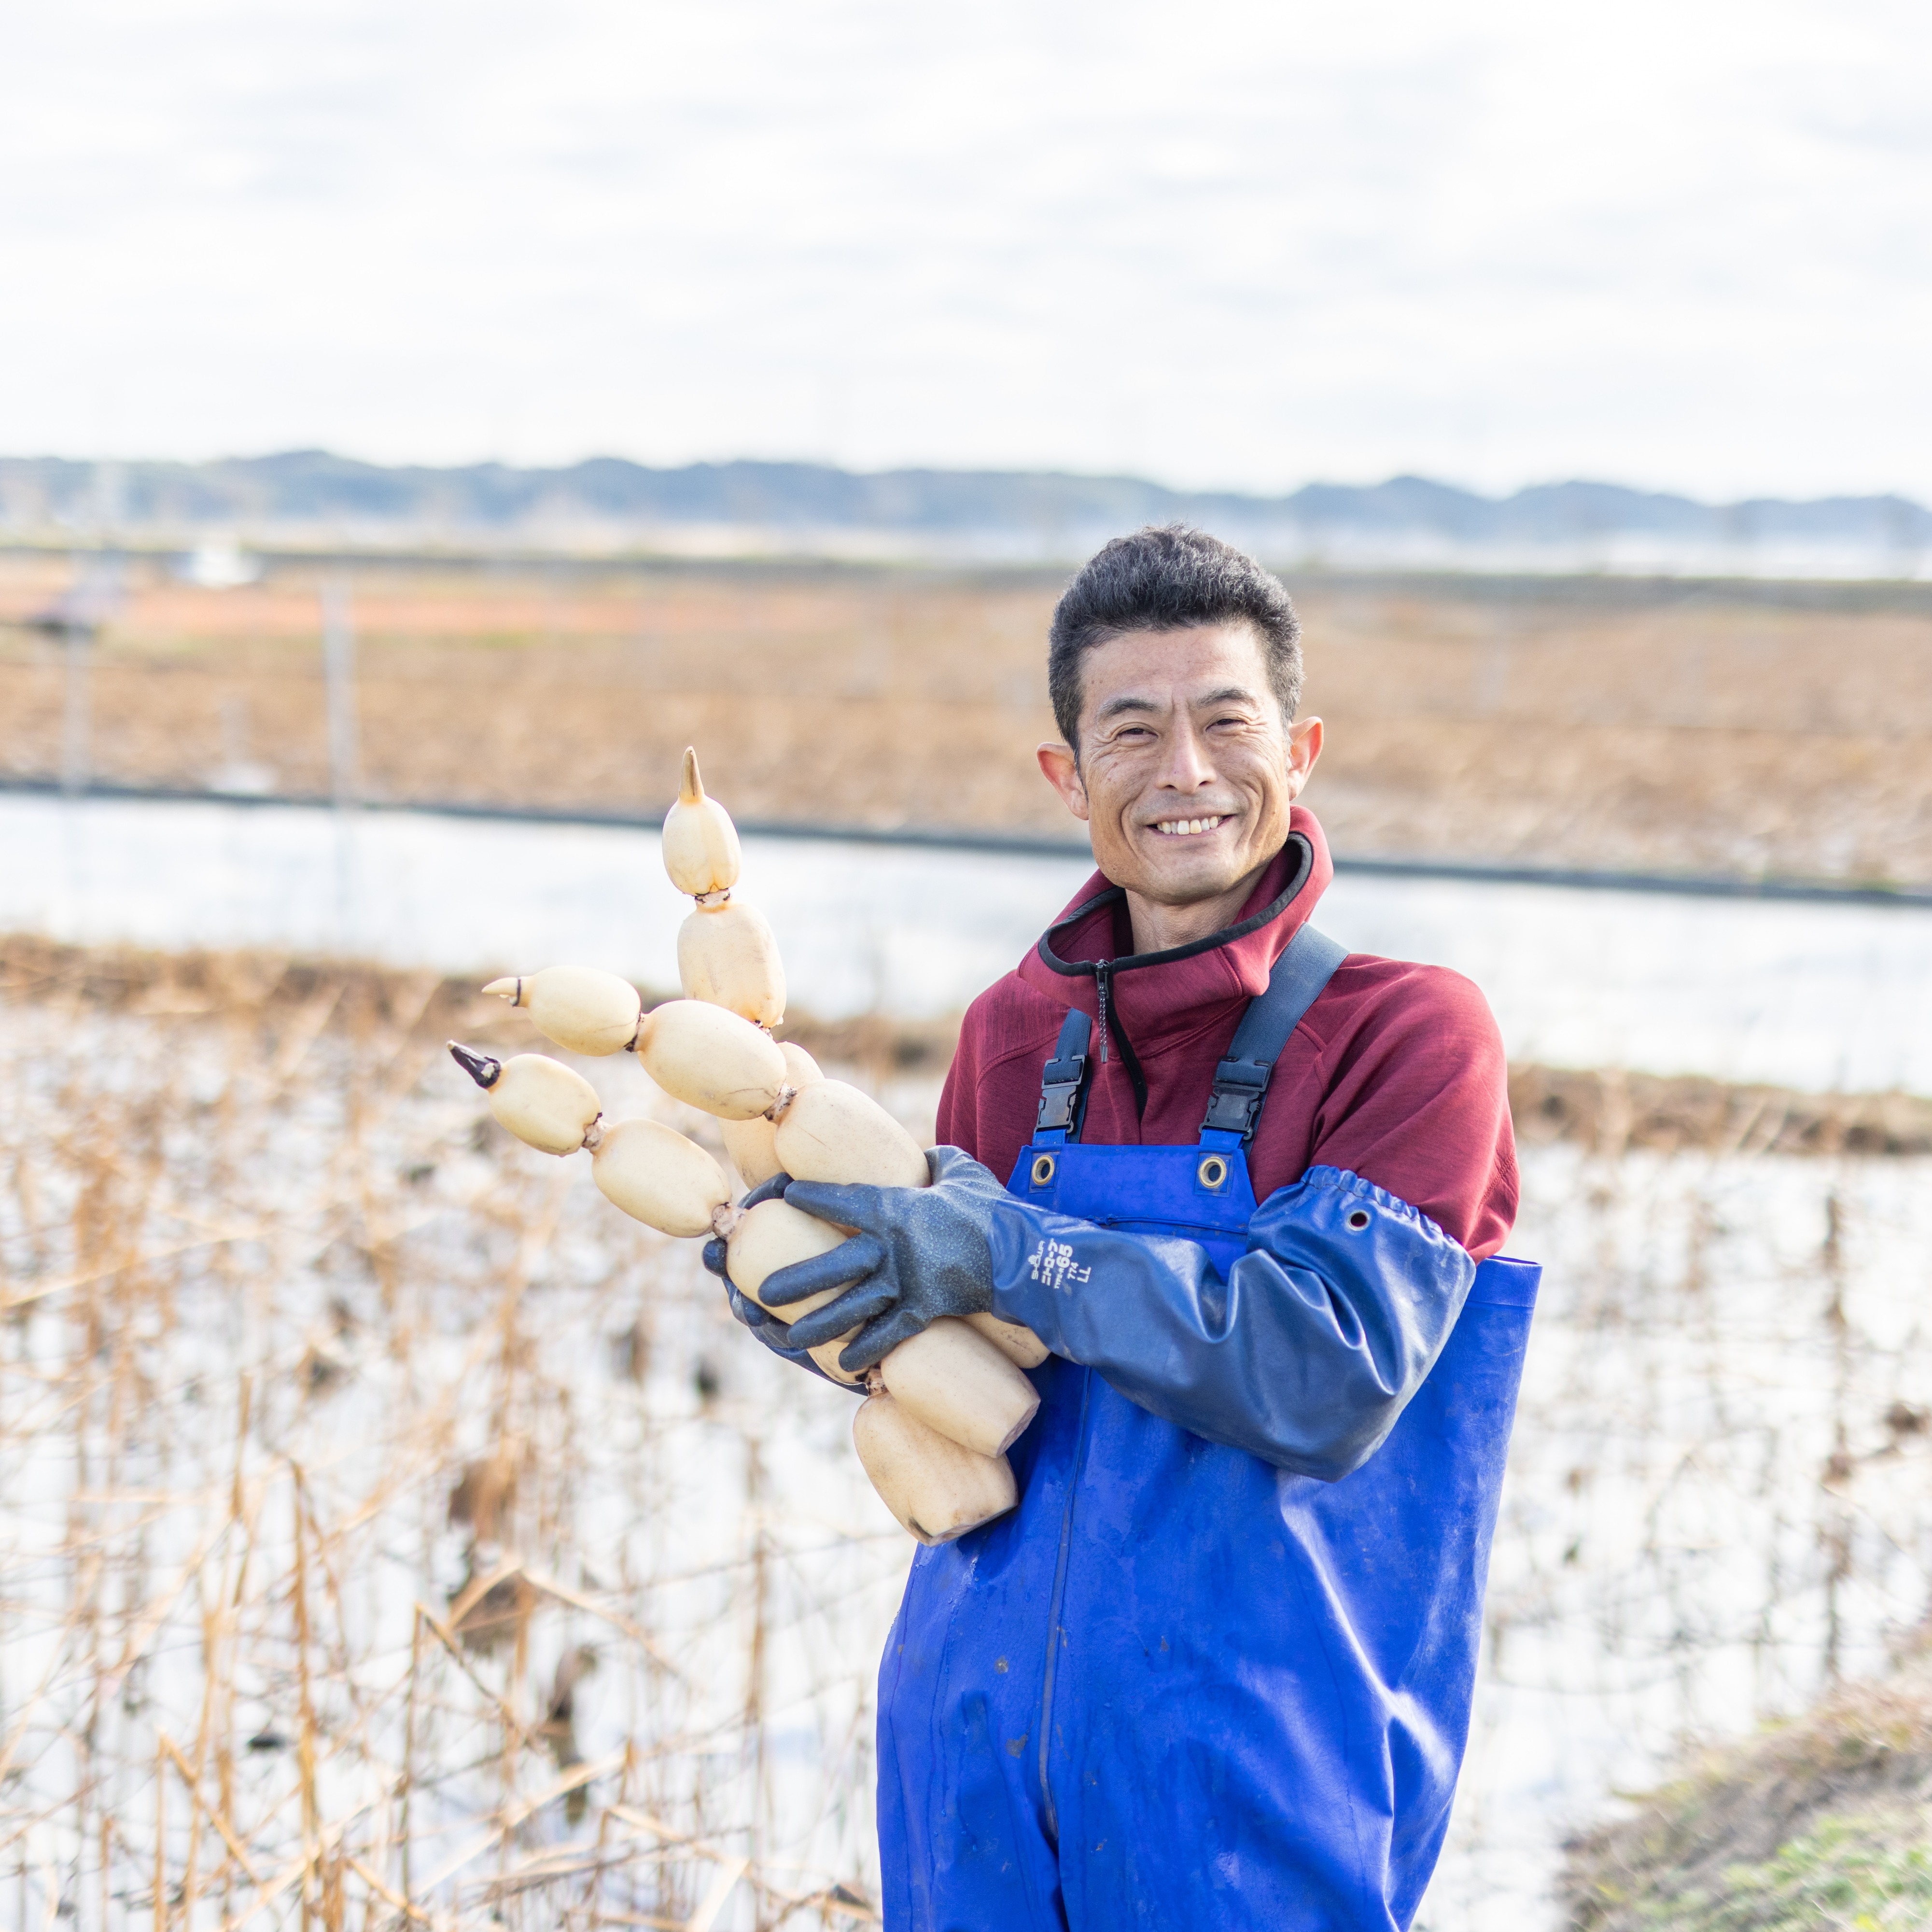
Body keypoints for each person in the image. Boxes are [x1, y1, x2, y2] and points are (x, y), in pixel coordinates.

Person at [706, 525, 1538, 1931]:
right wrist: (826, 1297)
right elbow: (965, 1378)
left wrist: (1013, 1249)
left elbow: (1321, 1371)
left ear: (1303, 747)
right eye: (1132, 730)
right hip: (968, 1733)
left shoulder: (1405, 1031)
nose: (1186, 772)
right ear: (1065, 772)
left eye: (1226, 721)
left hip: (1260, 1763)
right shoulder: (1010, 1033)